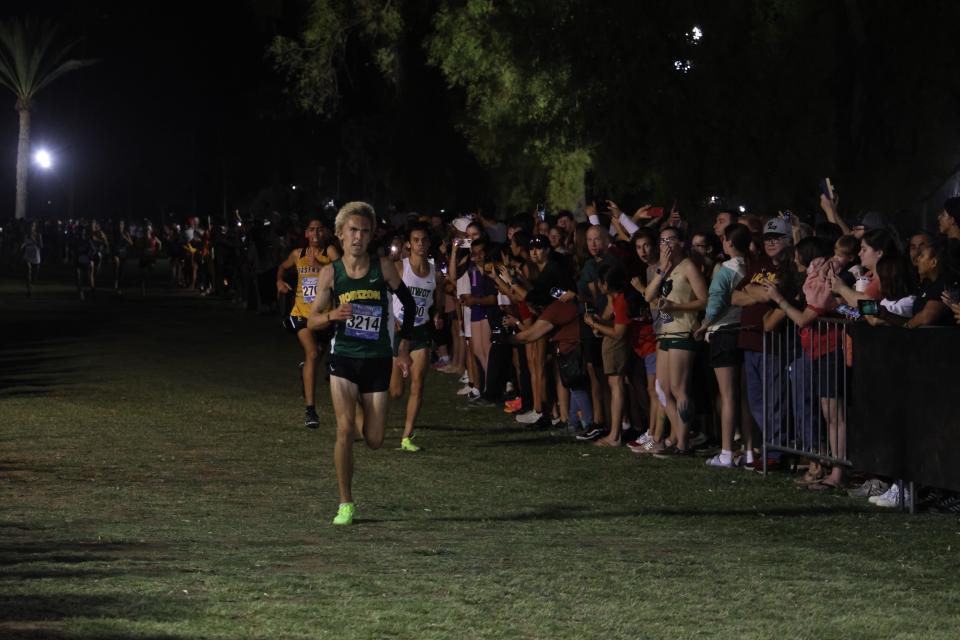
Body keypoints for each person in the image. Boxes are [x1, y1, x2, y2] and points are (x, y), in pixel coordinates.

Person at [307, 202, 416, 526]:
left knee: (375, 439)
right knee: (343, 431)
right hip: (343, 358)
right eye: (353, 230)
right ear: (340, 235)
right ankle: (346, 503)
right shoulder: (331, 273)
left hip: (377, 359)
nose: (358, 236)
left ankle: (355, 407)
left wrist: (404, 348)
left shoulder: (382, 268)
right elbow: (311, 320)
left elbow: (408, 305)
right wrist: (332, 315)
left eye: (365, 231)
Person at [644, 226, 708, 453]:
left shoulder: (688, 266)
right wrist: (661, 269)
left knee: (679, 388)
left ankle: (683, 441)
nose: (665, 245)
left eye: (670, 240)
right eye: (661, 241)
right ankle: (682, 436)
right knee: (662, 388)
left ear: (681, 242)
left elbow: (704, 300)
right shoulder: (664, 269)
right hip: (665, 332)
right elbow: (648, 296)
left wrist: (676, 306)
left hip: (683, 330)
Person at [694, 223, 751, 467]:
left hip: (724, 332)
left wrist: (704, 325)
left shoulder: (727, 268)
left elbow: (716, 303)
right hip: (743, 331)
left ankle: (727, 451)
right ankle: (749, 450)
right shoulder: (750, 265)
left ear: (728, 242)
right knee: (744, 397)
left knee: (727, 396)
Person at [278, 216, 340, 429]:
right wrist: (279, 280)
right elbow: (282, 267)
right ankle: (310, 411)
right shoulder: (298, 254)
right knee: (313, 353)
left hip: (324, 316)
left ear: (325, 233)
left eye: (319, 230)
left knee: (316, 356)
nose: (315, 234)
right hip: (301, 314)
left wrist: (321, 264)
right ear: (306, 233)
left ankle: (306, 370)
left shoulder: (330, 252)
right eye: (311, 230)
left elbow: (342, 272)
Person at [389, 222, 443, 452]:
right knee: (396, 392)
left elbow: (438, 301)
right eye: (416, 240)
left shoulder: (435, 273)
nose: (420, 244)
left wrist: (437, 314)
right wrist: (392, 319)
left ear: (429, 244)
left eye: (424, 240)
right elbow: (381, 295)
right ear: (409, 244)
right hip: (398, 332)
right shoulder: (399, 268)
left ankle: (406, 437)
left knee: (418, 385)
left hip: (420, 331)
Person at [20, 220, 42, 297]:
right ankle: (29, 290)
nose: (31, 227)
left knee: (34, 277)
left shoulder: (38, 235)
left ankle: (31, 286)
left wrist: (33, 240)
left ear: (35, 227)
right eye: (30, 226)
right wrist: (21, 246)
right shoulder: (26, 235)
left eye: (33, 226)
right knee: (28, 273)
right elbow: (24, 243)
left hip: (36, 258)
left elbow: (40, 246)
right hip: (27, 257)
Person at [111, 220, 134, 295]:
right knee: (116, 267)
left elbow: (131, 243)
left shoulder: (126, 233)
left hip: (123, 254)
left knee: (121, 270)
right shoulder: (115, 233)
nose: (120, 226)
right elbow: (112, 242)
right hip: (116, 252)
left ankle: (119, 287)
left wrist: (125, 238)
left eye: (122, 224)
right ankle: (115, 285)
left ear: (123, 225)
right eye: (119, 224)